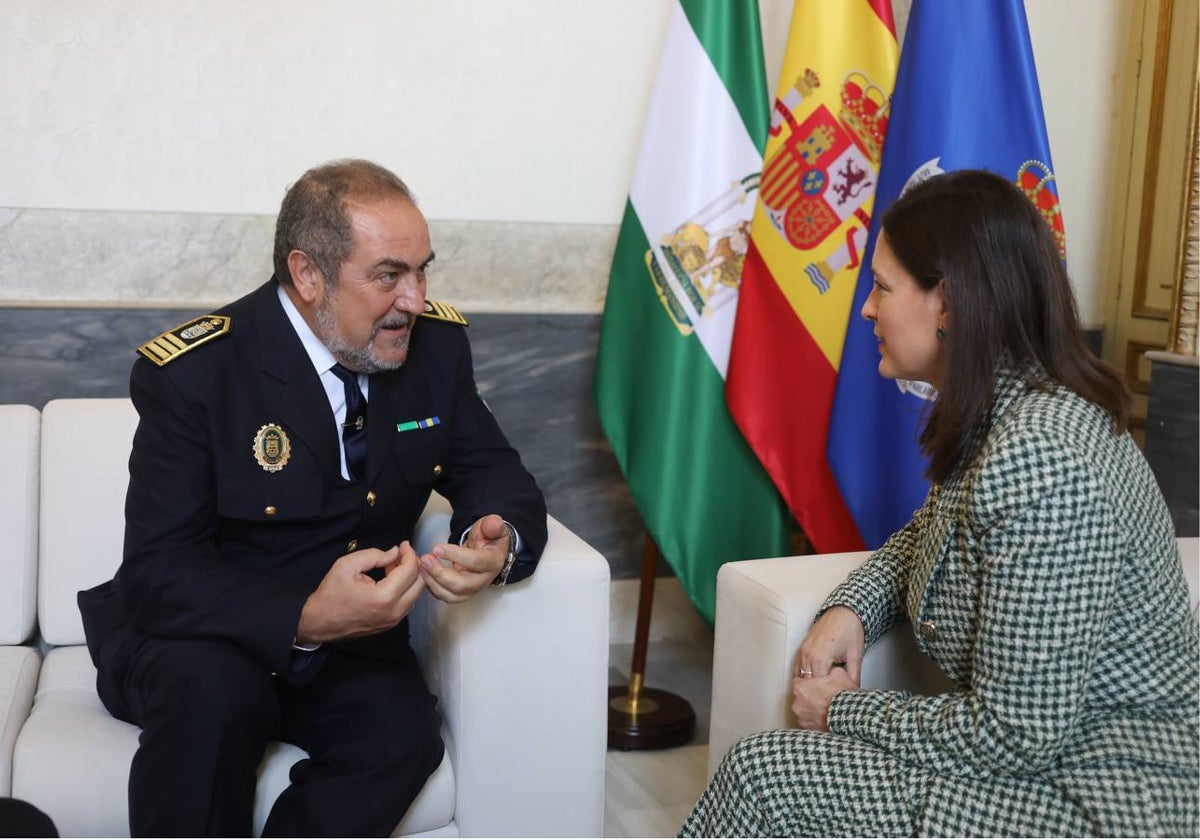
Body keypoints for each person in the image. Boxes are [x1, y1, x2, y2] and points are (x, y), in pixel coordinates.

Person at [681, 169, 1199, 837]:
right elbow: (934, 531)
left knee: (764, 775)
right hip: (1052, 771)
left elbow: (1014, 737)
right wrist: (852, 606)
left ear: (948, 304)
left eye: (884, 287)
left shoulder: (1044, 460)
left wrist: (844, 710)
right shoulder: (1012, 413)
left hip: (1107, 800)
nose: (867, 308)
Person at [77, 159, 547, 837]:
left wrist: (498, 542)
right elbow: (160, 573)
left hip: (348, 647)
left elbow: (492, 468)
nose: (414, 299)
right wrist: (305, 615)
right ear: (307, 275)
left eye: (422, 271)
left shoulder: (435, 350)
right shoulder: (197, 375)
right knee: (214, 698)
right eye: (389, 274)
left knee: (402, 738)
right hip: (207, 636)